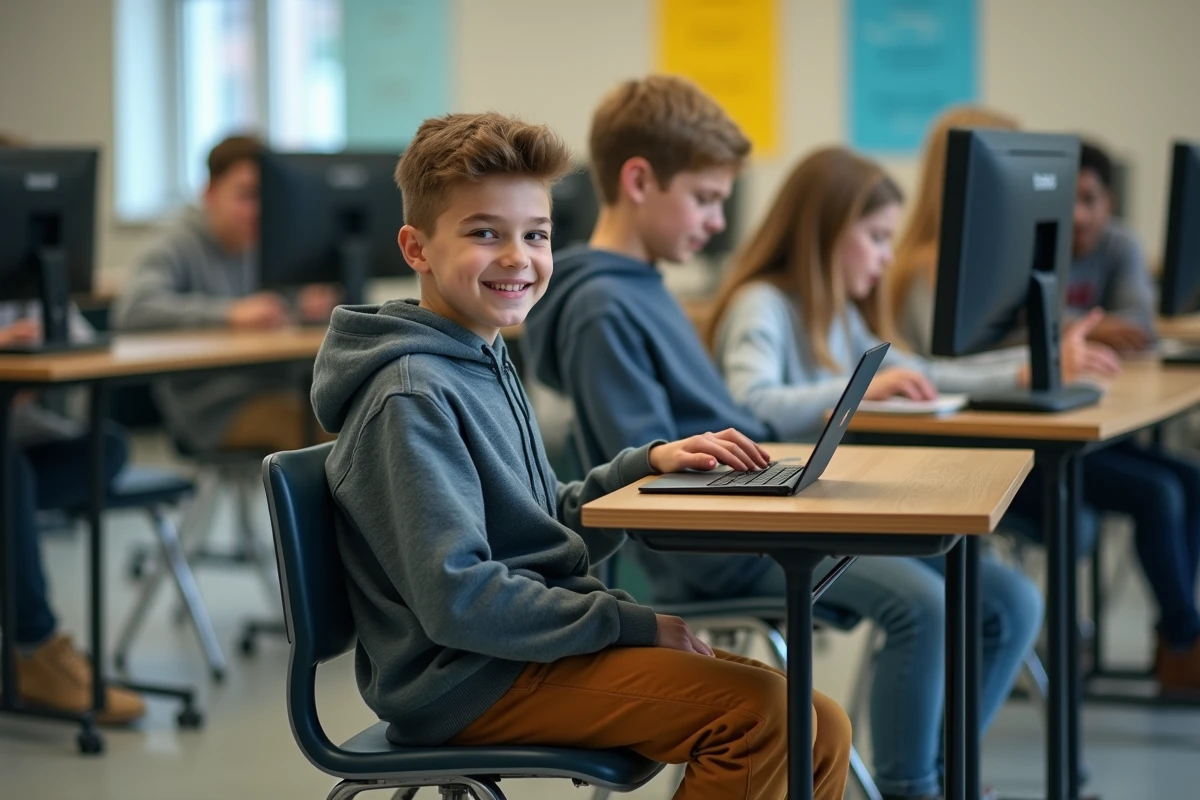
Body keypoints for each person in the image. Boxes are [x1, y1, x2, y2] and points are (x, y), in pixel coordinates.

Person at [309, 110, 851, 800]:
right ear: (416, 249)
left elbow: (540, 524)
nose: (519, 258)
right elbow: (459, 598)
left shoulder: (481, 355)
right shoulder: (413, 393)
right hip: (468, 679)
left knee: (819, 720)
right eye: (485, 234)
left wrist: (643, 468)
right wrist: (629, 624)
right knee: (764, 717)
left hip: (517, 651)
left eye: (536, 235)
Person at [705, 145, 1045, 800]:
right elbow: (748, 405)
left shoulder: (845, 311)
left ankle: (946, 773)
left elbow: (926, 372)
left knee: (1011, 600)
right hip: (776, 526)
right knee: (925, 605)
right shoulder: (762, 305)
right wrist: (848, 398)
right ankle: (909, 786)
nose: (888, 256)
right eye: (877, 237)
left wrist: (1022, 371)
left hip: (837, 508)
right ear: (827, 232)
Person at [890, 108, 1200, 692]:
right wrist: (1048, 352)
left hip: (1022, 433)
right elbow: (940, 374)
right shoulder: (925, 272)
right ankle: (1184, 642)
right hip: (977, 456)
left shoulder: (998, 261)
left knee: (1186, 481)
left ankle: (1179, 645)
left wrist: (1051, 349)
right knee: (1158, 492)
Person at [114, 134, 339, 454]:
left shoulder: (267, 242)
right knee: (321, 435)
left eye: (266, 197)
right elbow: (133, 310)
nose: (257, 210)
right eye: (245, 195)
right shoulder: (176, 242)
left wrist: (300, 306)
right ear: (210, 193)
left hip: (278, 387)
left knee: (353, 421)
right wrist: (229, 314)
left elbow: (268, 309)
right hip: (211, 407)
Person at [1066, 141, 1155, 352]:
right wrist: (1097, 328)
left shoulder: (1123, 244)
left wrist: (1069, 327)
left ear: (1109, 203)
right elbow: (1020, 326)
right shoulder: (1032, 248)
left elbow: (1140, 322)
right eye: (1067, 200)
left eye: (1089, 199)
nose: (1078, 216)